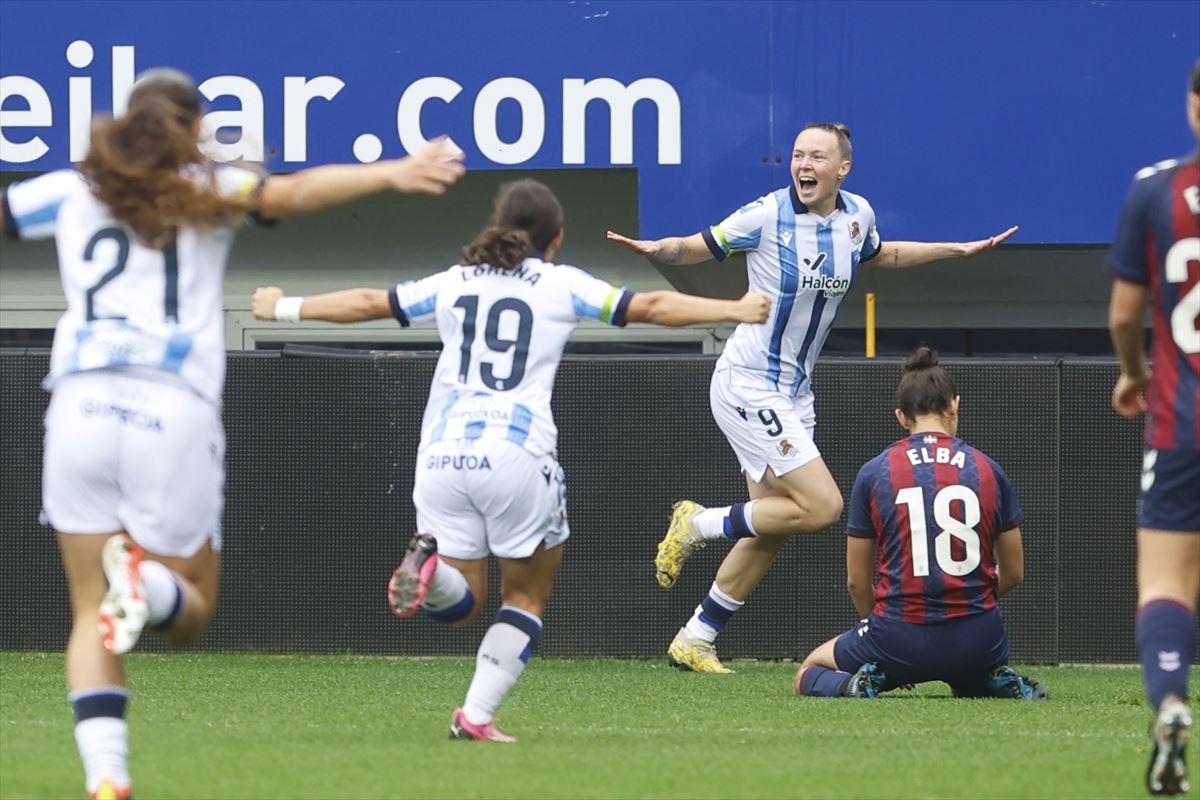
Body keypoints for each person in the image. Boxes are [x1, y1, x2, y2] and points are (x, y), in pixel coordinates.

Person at [0, 68, 464, 800]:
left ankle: (106, 778)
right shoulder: (205, 187)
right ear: (189, 128)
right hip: (169, 405)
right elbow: (295, 193)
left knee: (91, 614)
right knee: (190, 611)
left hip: (79, 404)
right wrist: (393, 172)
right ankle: (145, 584)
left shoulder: (72, 186)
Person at [250, 178, 770, 742]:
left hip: (441, 455)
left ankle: (431, 579)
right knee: (523, 597)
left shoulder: (454, 281)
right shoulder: (561, 284)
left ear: (497, 225)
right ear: (558, 237)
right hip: (516, 454)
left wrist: (282, 306)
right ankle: (474, 714)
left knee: (461, 602)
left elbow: (371, 303)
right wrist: (734, 306)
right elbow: (647, 306)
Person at [607, 122, 1019, 672]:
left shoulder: (858, 217)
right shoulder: (767, 214)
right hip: (750, 380)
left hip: (794, 392)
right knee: (822, 507)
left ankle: (695, 637)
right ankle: (697, 523)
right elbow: (698, 246)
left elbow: (886, 255)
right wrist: (659, 248)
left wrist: (955, 250)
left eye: (816, 156)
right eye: (798, 155)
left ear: (841, 168)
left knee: (775, 520)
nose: (803, 164)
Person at [792, 346, 1045, 701]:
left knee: (808, 671)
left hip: (898, 638)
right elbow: (1015, 572)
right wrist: (967, 603)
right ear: (955, 404)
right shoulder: (989, 469)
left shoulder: (875, 472)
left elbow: (855, 582)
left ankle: (858, 683)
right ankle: (986, 680)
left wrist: (877, 630)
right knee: (966, 670)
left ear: (900, 415)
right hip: (980, 640)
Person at [1106, 60, 1199, 798]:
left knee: (1166, 582)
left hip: (1181, 420)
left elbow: (1122, 314)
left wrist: (1133, 373)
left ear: (1193, 105)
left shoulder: (1154, 188)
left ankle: (1170, 702)